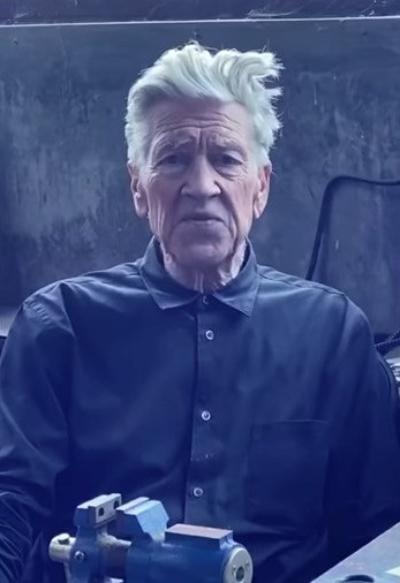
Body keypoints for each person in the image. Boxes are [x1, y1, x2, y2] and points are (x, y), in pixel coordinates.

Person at [0, 42, 399, 583]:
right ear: (138, 188)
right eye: (173, 159)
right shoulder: (59, 326)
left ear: (260, 187)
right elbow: (11, 505)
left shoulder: (332, 335)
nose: (202, 186)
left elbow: (379, 528)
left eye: (227, 159)